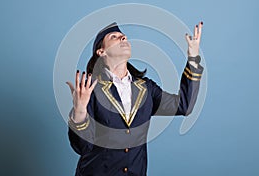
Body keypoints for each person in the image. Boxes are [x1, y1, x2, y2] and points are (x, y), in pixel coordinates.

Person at [66, 22, 204, 176]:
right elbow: (82, 148)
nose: (123, 37)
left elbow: (184, 106)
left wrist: (193, 59)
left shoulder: (146, 88)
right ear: (101, 51)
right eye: (114, 37)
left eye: (123, 36)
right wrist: (79, 112)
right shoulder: (90, 89)